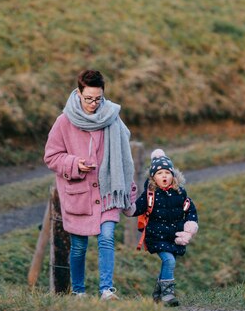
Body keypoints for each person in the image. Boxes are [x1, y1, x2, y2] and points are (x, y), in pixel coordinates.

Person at [44, 69, 136, 300]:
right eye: (88, 98)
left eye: (98, 98)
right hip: (79, 194)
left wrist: (130, 189)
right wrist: (75, 164)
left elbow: (125, 154)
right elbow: (51, 157)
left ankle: (106, 290)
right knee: (79, 247)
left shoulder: (112, 117)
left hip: (108, 192)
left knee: (106, 238)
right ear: (78, 93)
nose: (93, 104)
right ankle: (79, 292)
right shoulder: (64, 121)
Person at [125, 148, 199, 307]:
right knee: (169, 261)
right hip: (156, 236)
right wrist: (127, 206)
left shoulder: (180, 193)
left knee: (168, 263)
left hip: (174, 237)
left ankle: (158, 295)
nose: (164, 176)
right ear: (153, 177)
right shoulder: (150, 194)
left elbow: (190, 210)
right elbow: (136, 208)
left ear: (173, 175)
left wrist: (189, 228)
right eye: (159, 173)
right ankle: (168, 295)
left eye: (167, 172)